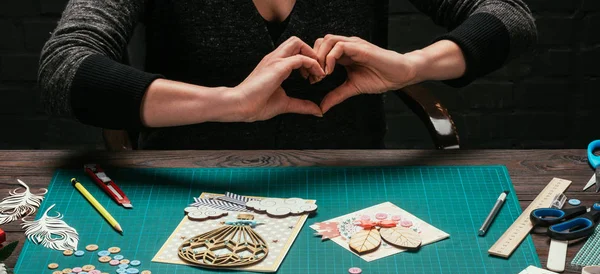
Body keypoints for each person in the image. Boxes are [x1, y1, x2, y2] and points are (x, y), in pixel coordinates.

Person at [39, 0, 536, 150]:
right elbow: (65, 66)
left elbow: (510, 18)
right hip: (188, 189)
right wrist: (229, 102)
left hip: (349, 185)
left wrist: (411, 67)